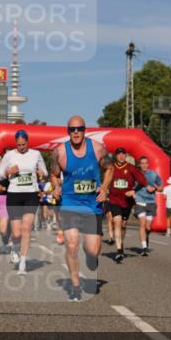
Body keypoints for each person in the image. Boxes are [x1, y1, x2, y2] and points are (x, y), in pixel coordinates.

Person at [51, 116, 111, 301]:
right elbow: (54, 175)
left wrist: (105, 187)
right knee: (71, 245)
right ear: (68, 132)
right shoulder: (59, 152)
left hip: (92, 205)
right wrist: (56, 187)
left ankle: (90, 256)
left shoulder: (98, 148)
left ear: (85, 130)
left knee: (92, 251)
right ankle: (75, 285)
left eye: (80, 128)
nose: (76, 132)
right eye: (72, 129)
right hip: (69, 204)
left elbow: (109, 168)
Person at [0, 129, 48, 275]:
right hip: (14, 195)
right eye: (19, 145)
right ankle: (14, 248)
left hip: (31, 194)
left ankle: (23, 263)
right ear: (15, 143)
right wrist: (8, 172)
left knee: (26, 229)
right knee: (17, 233)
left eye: (24, 144)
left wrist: (42, 174)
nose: (21, 147)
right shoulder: (9, 155)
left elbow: (45, 172)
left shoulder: (36, 154)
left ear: (28, 142)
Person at [107, 147, 148, 263]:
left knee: (124, 225)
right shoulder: (111, 168)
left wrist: (134, 191)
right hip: (114, 200)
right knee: (117, 222)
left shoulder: (131, 168)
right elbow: (105, 180)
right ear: (116, 156)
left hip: (127, 202)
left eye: (123, 154)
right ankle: (119, 251)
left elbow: (143, 182)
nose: (120, 156)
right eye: (118, 154)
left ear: (125, 155)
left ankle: (121, 244)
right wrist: (104, 188)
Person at [133, 155, 163, 255]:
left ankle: (146, 238)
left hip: (151, 202)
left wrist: (155, 189)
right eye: (142, 163)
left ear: (148, 164)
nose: (144, 165)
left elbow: (161, 187)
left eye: (146, 163)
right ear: (139, 165)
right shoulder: (136, 174)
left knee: (148, 227)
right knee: (142, 223)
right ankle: (144, 247)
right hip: (140, 201)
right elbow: (131, 185)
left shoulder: (153, 174)